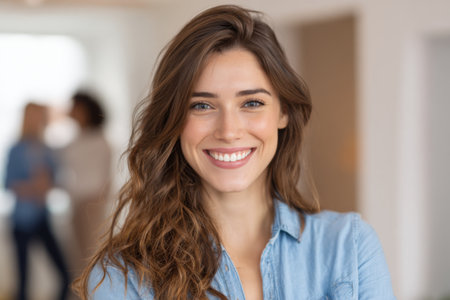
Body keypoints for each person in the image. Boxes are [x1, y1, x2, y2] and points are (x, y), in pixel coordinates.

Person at [74, 5, 395, 300]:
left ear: (283, 112)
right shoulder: (123, 275)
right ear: (173, 121)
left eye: (251, 103)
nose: (228, 131)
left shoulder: (349, 247)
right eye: (202, 105)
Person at [5, 103, 70, 300]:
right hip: (21, 221)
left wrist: (46, 184)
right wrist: (34, 186)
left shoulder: (47, 150)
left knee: (65, 275)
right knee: (23, 281)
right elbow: (8, 184)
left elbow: (58, 182)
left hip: (43, 218)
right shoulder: (16, 150)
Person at [59, 92, 112, 277]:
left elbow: (108, 176)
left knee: (92, 257)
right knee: (77, 259)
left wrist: (101, 200)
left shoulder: (99, 140)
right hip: (76, 203)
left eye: (75, 107)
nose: (72, 111)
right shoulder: (75, 140)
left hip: (92, 205)